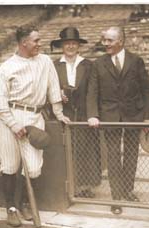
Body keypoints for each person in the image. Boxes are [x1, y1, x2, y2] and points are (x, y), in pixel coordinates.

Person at [0, 25, 70, 227]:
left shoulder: (44, 61)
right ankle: (10, 208)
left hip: (35, 117)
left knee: (34, 169)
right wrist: (13, 124)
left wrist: (59, 113)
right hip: (10, 116)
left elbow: (54, 88)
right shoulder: (6, 67)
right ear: (23, 42)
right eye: (35, 40)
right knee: (10, 166)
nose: (39, 43)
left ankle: (25, 203)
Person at [86, 26, 149, 215]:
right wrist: (93, 114)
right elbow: (93, 91)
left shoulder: (136, 61)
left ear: (120, 41)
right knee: (114, 155)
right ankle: (117, 197)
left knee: (131, 154)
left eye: (109, 40)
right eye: (104, 40)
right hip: (109, 116)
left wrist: (146, 118)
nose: (104, 43)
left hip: (134, 115)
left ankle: (128, 190)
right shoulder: (98, 63)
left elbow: (145, 90)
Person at [50, 27, 101, 198]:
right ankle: (69, 186)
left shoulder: (88, 65)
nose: (70, 46)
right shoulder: (54, 66)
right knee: (66, 152)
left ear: (79, 46)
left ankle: (85, 187)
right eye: (67, 43)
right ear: (62, 46)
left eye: (74, 43)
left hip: (84, 113)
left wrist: (92, 114)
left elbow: (93, 91)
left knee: (85, 150)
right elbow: (48, 88)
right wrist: (58, 94)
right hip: (64, 115)